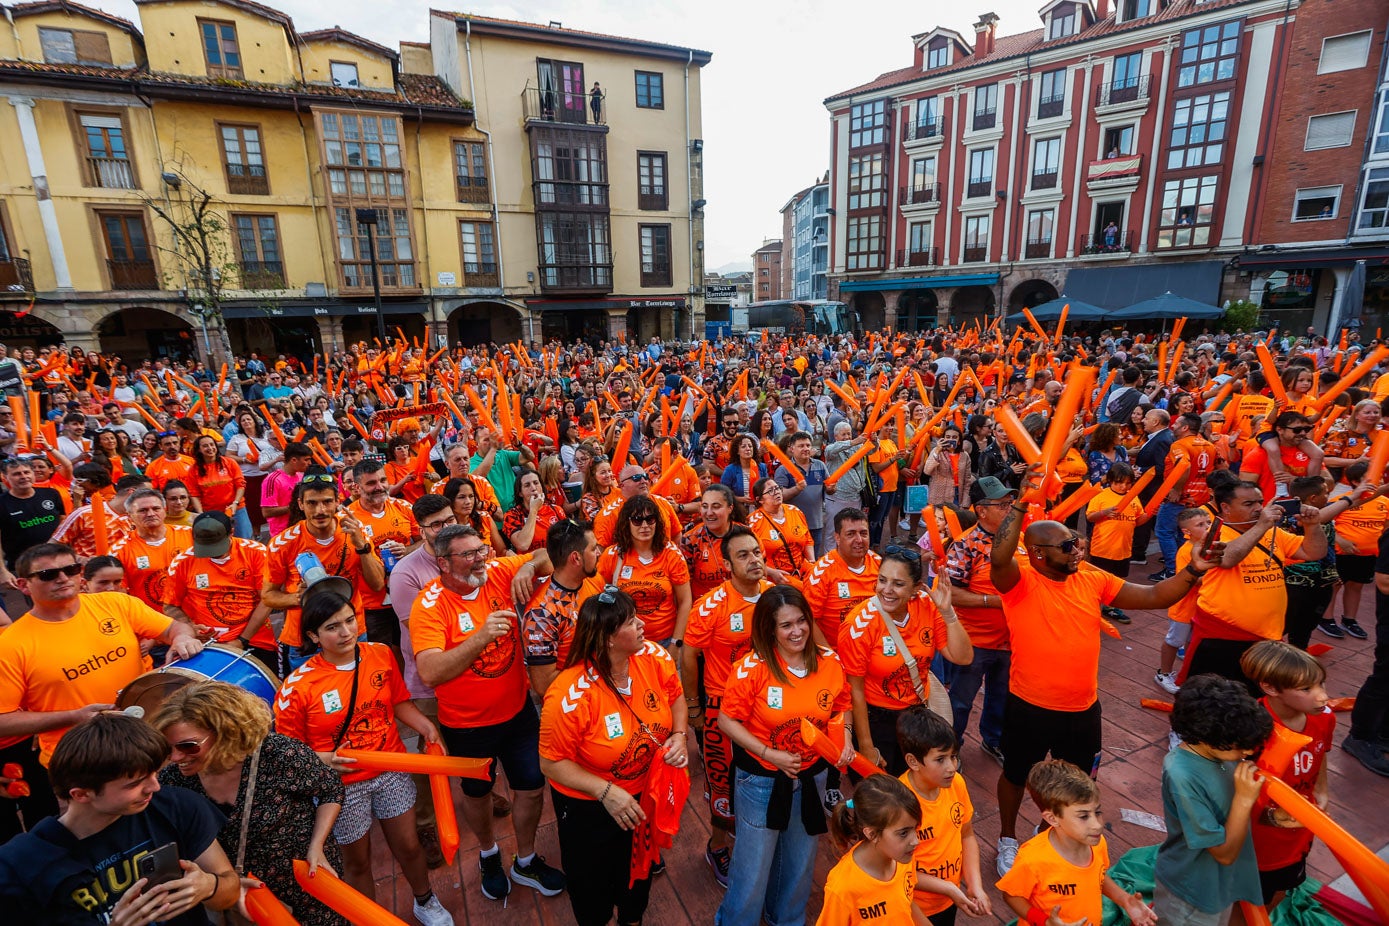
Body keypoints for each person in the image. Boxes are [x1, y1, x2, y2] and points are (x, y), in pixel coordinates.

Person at [989, 464, 1225, 876]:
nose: (1077, 550)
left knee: (1077, 782)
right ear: (1040, 554)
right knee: (1015, 774)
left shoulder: (1090, 577)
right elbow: (1000, 554)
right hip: (1030, 705)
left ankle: (1053, 838)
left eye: (1076, 542)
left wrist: (1193, 571)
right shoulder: (1021, 581)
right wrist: (1023, 502)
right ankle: (1007, 837)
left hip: (1083, 708)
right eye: (1067, 546)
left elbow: (1153, 595)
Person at [275, 590, 453, 925]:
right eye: (332, 627)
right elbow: (288, 753)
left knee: (410, 846)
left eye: (348, 620)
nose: (345, 632)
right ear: (313, 636)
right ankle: (369, 918)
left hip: (391, 768)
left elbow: (398, 700)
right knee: (357, 863)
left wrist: (426, 726)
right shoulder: (297, 687)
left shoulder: (380, 654)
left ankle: (425, 901)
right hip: (341, 789)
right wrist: (325, 760)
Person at [410, 524, 564, 903]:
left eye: (481, 549)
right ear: (443, 563)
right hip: (466, 725)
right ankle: (488, 853)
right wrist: (480, 637)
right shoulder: (429, 605)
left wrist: (529, 568)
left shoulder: (496, 571)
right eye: (469, 554)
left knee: (531, 786)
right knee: (477, 793)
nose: (481, 558)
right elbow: (429, 671)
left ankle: (525, 859)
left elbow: (549, 556)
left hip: (518, 712)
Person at [0, 710, 240, 924]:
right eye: (135, 783)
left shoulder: (176, 807)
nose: (154, 787)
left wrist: (208, 886)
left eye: (154, 773)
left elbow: (229, 889)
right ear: (81, 794)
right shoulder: (21, 866)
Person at [538, 587, 688, 926]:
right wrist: (606, 792)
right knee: (592, 894)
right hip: (589, 809)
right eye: (632, 622)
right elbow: (550, 762)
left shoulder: (653, 656)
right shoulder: (568, 695)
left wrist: (679, 735)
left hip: (642, 798)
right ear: (607, 638)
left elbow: (675, 695)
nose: (643, 625)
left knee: (637, 885)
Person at [153, 681, 349, 926]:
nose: (175, 757)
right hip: (246, 899)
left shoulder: (278, 754)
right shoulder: (173, 780)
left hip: (307, 881)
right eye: (168, 747)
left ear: (227, 732)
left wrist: (317, 846)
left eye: (187, 746)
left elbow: (331, 790)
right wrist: (224, 882)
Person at [715, 585, 853, 925]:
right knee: (753, 864)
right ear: (769, 629)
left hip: (812, 776)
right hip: (761, 779)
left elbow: (841, 706)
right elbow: (726, 720)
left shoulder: (829, 662)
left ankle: (787, 919)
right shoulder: (753, 668)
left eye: (801, 621)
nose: (797, 631)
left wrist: (846, 736)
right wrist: (769, 754)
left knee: (800, 858)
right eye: (786, 625)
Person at [0, 541, 204, 765]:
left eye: (70, 569)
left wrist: (182, 637)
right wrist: (73, 717)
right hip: (83, 759)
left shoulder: (116, 603)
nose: (63, 578)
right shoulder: (10, 644)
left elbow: (173, 627)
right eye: (48, 574)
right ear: (23, 585)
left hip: (147, 739)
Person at [682, 525, 773, 886]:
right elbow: (689, 658)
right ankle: (718, 844)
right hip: (723, 711)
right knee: (722, 783)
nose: (754, 560)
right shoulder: (711, 606)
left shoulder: (775, 596)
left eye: (756, 552)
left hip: (767, 708)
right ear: (727, 564)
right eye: (743, 555)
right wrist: (694, 710)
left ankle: (749, 831)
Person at [838, 546, 972, 775]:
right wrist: (868, 746)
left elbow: (962, 657)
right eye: (882, 580)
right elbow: (855, 691)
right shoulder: (858, 625)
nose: (887, 590)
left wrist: (948, 612)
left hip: (916, 716)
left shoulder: (927, 605)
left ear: (916, 588)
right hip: (877, 720)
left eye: (898, 584)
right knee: (882, 795)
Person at [1155, 675, 1272, 925]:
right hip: (1190, 894)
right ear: (1208, 736)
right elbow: (1223, 854)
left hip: (1219, 883)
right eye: (1240, 745)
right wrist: (1243, 799)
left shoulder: (1222, 755)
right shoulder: (1182, 775)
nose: (1249, 752)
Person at [1187, 480, 1326, 686]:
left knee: (1256, 698)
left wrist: (1312, 525)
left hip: (1267, 635)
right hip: (1222, 637)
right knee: (1213, 697)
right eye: (1249, 504)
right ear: (1225, 507)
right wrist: (1262, 525)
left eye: (1260, 502)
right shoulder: (1213, 535)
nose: (1258, 509)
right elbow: (1227, 559)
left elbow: (1314, 552)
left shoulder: (1272, 533)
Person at [997, 760, 1156, 926]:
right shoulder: (1033, 859)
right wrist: (1044, 922)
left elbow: (1098, 877)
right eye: (1083, 816)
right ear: (1052, 818)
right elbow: (1011, 895)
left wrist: (1125, 900)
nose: (1097, 824)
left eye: (1098, 812)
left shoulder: (1097, 843)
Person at [1238, 642, 1334, 912]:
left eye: (1321, 684)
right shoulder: (1250, 726)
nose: (1322, 697)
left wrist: (1322, 791)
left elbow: (1321, 749)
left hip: (1299, 827)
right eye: (1307, 689)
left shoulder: (1324, 719)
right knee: (1246, 894)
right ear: (1270, 688)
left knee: (1281, 887)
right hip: (1255, 836)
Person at [263, 467, 384, 674]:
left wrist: (360, 545)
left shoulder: (356, 531)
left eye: (327, 502)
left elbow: (377, 584)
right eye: (312, 503)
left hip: (351, 633)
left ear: (338, 501)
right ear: (300, 504)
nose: (320, 510)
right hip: (305, 641)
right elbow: (268, 596)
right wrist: (299, 597)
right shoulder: (282, 543)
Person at [897, 706, 990, 925]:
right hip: (915, 907)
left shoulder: (956, 784)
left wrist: (974, 885)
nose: (951, 767)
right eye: (940, 759)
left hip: (949, 900)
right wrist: (948, 887)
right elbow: (898, 870)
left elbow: (966, 835)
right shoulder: (900, 804)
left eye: (953, 757)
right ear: (913, 762)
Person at [942, 477, 1011, 765]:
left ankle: (993, 740)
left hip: (1011, 640)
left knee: (1002, 697)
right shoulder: (965, 545)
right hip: (974, 643)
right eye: (1002, 505)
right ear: (981, 510)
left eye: (1010, 504)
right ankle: (950, 749)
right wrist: (993, 601)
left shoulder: (1017, 539)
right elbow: (951, 594)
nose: (1009, 509)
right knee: (959, 702)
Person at [165, 511, 277, 666]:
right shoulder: (183, 562)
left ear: (231, 532)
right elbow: (170, 605)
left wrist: (242, 640)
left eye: (217, 546)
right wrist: (190, 626)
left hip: (255, 639)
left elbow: (267, 600)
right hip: (205, 643)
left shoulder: (256, 553)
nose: (213, 554)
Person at [817, 774, 927, 926]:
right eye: (903, 833)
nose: (916, 840)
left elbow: (905, 903)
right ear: (872, 834)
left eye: (915, 829)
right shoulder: (843, 888)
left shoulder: (902, 857)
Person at [347, 459, 420, 664]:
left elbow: (424, 541)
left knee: (413, 651)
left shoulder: (404, 507)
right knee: (383, 659)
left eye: (383, 480)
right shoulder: (348, 517)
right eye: (371, 483)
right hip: (372, 605)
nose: (379, 487)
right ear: (357, 487)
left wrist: (407, 550)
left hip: (407, 595)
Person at [521, 519, 604, 696]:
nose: (599, 553)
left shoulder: (593, 579)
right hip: (572, 709)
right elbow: (544, 685)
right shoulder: (541, 615)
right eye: (593, 548)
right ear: (576, 558)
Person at [596, 493, 691, 647]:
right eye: (637, 520)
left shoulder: (671, 553)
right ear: (626, 523)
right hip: (626, 643)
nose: (645, 526)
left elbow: (685, 601)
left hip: (665, 640)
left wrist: (676, 642)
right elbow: (600, 598)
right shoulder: (612, 556)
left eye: (650, 519)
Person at [802, 507, 881, 646]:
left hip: (876, 649)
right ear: (837, 538)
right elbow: (808, 619)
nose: (859, 540)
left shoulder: (880, 565)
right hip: (838, 653)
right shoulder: (820, 573)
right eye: (850, 534)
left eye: (863, 533)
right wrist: (830, 657)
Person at [1085, 461, 1151, 623]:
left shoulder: (1133, 497)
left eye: (1128, 483)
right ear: (1111, 481)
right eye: (1119, 482)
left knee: (1118, 581)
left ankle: (1111, 607)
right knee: (1099, 581)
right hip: (1102, 549)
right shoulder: (1102, 496)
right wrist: (1104, 513)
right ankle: (1092, 608)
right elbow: (1090, 516)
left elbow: (1138, 520)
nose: (1124, 487)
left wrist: (1150, 513)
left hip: (1123, 550)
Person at [110, 487, 192, 614]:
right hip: (152, 623)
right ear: (129, 516)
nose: (150, 514)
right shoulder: (119, 551)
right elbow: (117, 594)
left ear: (164, 510)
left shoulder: (191, 536)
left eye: (156, 508)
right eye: (142, 510)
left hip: (196, 619)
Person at [1157, 507, 1211, 694]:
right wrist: (1216, 577)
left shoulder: (1209, 547)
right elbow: (1189, 580)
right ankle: (1163, 673)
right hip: (1184, 607)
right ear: (1186, 532)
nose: (1207, 527)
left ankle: (1187, 671)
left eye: (1208, 523)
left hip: (1200, 607)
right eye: (1201, 525)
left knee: (1192, 641)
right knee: (1174, 640)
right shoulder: (1186, 551)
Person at [0, 456, 70, 588]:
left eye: (26, 472)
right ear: (5, 477)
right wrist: (2, 571)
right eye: (16, 474)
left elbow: (64, 524)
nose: (23, 476)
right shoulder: (2, 504)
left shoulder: (51, 494)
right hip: (27, 566)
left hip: (59, 559)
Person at [681, 483, 745, 601]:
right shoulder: (690, 540)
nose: (709, 512)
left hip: (740, 604)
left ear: (730, 508)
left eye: (716, 506)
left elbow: (759, 576)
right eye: (705, 506)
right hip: (704, 608)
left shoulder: (745, 536)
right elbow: (683, 588)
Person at [747, 476, 815, 581]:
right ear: (759, 499)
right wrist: (769, 571)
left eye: (777, 488)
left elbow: (808, 540)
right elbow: (749, 557)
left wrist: (812, 563)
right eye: (770, 491)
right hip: (774, 577)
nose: (776, 492)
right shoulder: (753, 522)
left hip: (803, 573)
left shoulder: (795, 511)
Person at [773, 430, 828, 555]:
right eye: (801, 446)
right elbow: (780, 496)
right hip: (793, 526)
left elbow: (829, 490)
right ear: (792, 449)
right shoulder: (783, 469)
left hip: (815, 523)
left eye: (808, 445)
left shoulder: (820, 465)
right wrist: (797, 488)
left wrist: (831, 488)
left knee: (813, 560)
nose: (806, 449)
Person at [260, 442, 313, 537]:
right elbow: (266, 512)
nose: (309, 463)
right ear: (294, 460)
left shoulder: (301, 476)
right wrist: (295, 507)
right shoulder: (272, 480)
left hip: (302, 529)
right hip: (282, 533)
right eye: (306, 460)